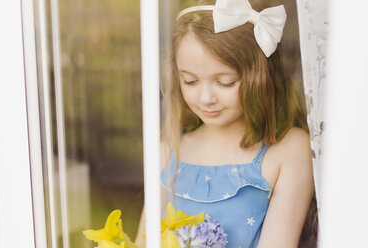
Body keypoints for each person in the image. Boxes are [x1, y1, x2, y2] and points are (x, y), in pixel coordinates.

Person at [136, 0, 317, 247]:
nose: (206, 98)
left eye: (225, 82)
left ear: (259, 76)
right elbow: (144, 240)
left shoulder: (288, 150)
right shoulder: (169, 148)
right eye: (190, 81)